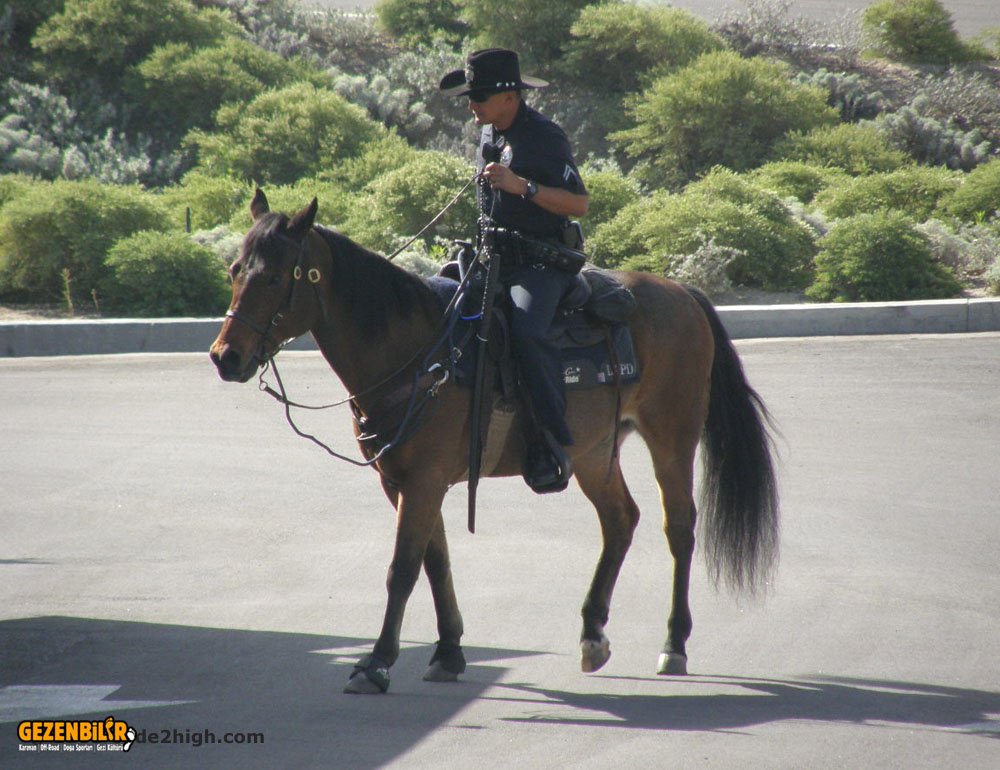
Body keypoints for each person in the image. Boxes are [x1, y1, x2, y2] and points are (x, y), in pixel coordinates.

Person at [440, 48, 589, 492]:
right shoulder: (490, 131)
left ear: (510, 96)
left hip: (540, 265)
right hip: (494, 260)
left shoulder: (545, 137)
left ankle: (552, 441)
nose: (472, 104)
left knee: (525, 333)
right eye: (469, 95)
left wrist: (523, 187)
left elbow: (579, 203)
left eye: (480, 95)